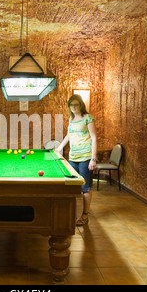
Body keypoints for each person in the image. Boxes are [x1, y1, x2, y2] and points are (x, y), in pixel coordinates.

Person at [56, 95, 97, 226]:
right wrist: (59, 148)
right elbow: (69, 134)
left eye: (76, 105)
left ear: (81, 105)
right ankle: (71, 214)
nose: (73, 107)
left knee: (85, 187)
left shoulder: (88, 118)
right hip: (73, 157)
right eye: (71, 105)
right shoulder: (72, 119)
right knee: (72, 187)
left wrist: (93, 159)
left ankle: (85, 215)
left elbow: (94, 138)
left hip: (85, 157)